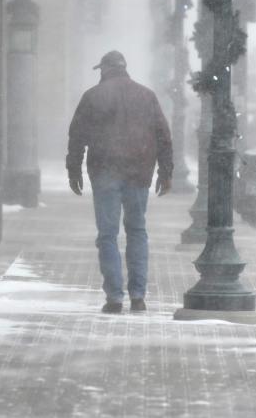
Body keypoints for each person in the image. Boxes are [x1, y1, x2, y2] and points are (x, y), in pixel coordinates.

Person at [66, 50, 173, 314]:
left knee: (107, 234)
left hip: (105, 172)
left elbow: (77, 135)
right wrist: (165, 172)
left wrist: (74, 170)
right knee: (137, 231)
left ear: (104, 69)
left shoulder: (92, 97)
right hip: (138, 173)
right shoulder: (146, 96)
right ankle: (138, 296)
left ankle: (114, 297)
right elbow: (163, 135)